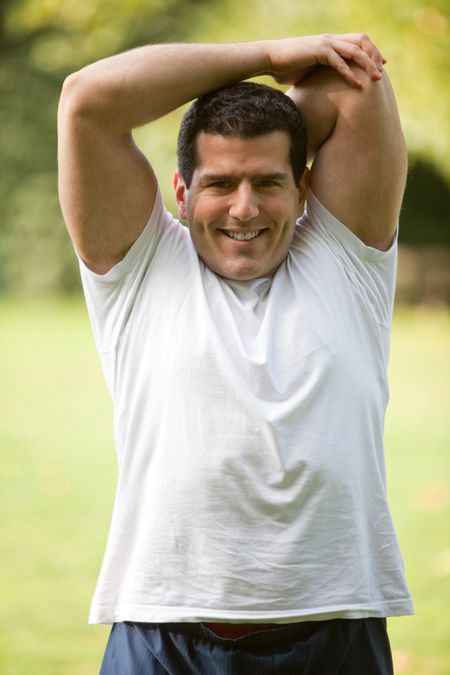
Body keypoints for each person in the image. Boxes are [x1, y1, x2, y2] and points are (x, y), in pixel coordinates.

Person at [58, 33, 413, 674]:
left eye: (268, 182)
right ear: (181, 190)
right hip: (164, 636)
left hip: (335, 633)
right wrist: (270, 58)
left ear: (304, 188)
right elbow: (88, 99)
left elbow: (355, 81)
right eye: (219, 182)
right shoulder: (139, 270)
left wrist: (268, 117)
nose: (244, 209)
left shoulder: (346, 259)